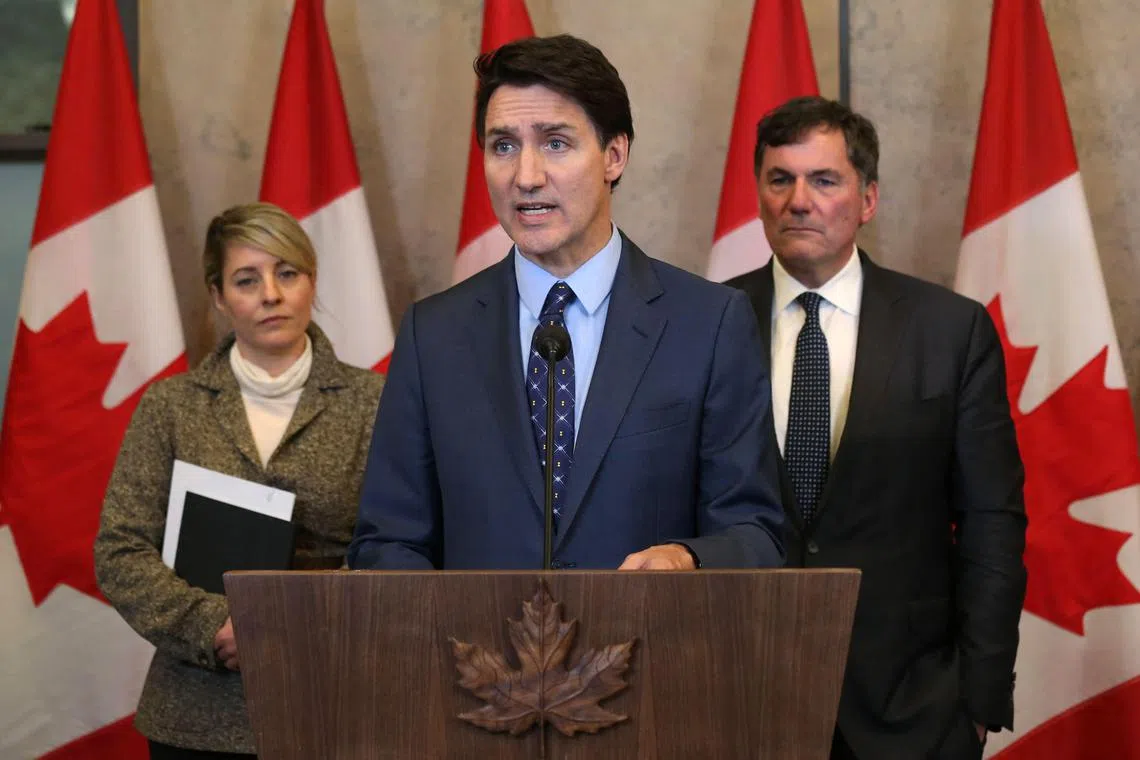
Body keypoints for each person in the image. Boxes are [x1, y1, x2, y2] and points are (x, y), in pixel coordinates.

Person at [349, 34, 784, 571]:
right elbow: (386, 542)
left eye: (555, 143)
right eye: (503, 145)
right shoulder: (432, 333)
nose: (526, 177)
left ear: (614, 155)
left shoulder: (710, 323)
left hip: (651, 646)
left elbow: (756, 532)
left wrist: (687, 559)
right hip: (477, 652)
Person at [726, 96, 1027, 760]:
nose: (798, 200)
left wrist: (979, 696)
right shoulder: (705, 323)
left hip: (911, 710)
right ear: (759, 195)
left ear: (867, 200)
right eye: (780, 179)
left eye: (824, 180)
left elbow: (991, 521)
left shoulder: (950, 331)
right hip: (737, 695)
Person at [94, 202, 384, 759]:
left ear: (311, 282)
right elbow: (120, 550)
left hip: (334, 700)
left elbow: (396, 541)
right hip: (194, 711)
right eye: (247, 280)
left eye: (287, 273)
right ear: (220, 297)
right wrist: (214, 627)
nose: (271, 294)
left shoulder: (377, 401)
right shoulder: (170, 406)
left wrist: (297, 623)